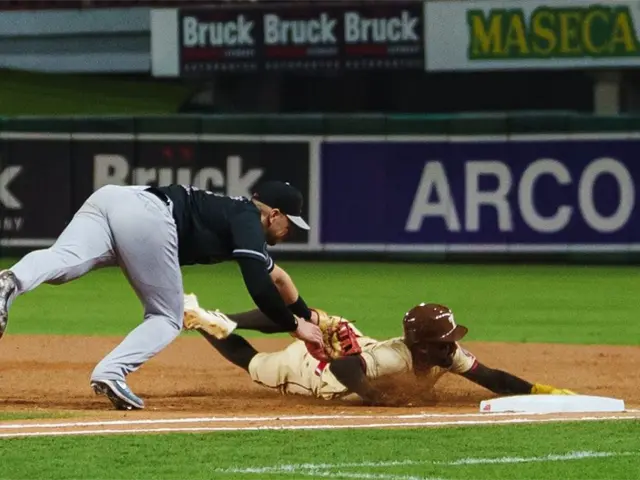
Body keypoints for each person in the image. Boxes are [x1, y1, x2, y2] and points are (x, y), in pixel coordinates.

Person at [0, 181, 323, 411]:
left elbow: (278, 279)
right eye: (290, 223)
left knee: (64, 264)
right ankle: (111, 373)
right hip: (150, 216)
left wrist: (308, 316)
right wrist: (294, 326)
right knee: (167, 317)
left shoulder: (239, 218)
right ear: (274, 214)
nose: (291, 231)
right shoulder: (248, 221)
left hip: (113, 199)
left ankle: (12, 280)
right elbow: (258, 285)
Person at [182, 296, 576, 404]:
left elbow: (490, 377)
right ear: (422, 345)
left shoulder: (445, 354)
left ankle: (213, 318)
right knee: (255, 362)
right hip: (315, 372)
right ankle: (206, 320)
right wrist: (375, 399)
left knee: (318, 320)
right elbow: (343, 371)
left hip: (356, 346)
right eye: (444, 340)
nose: (452, 345)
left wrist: (537, 390)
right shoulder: (397, 357)